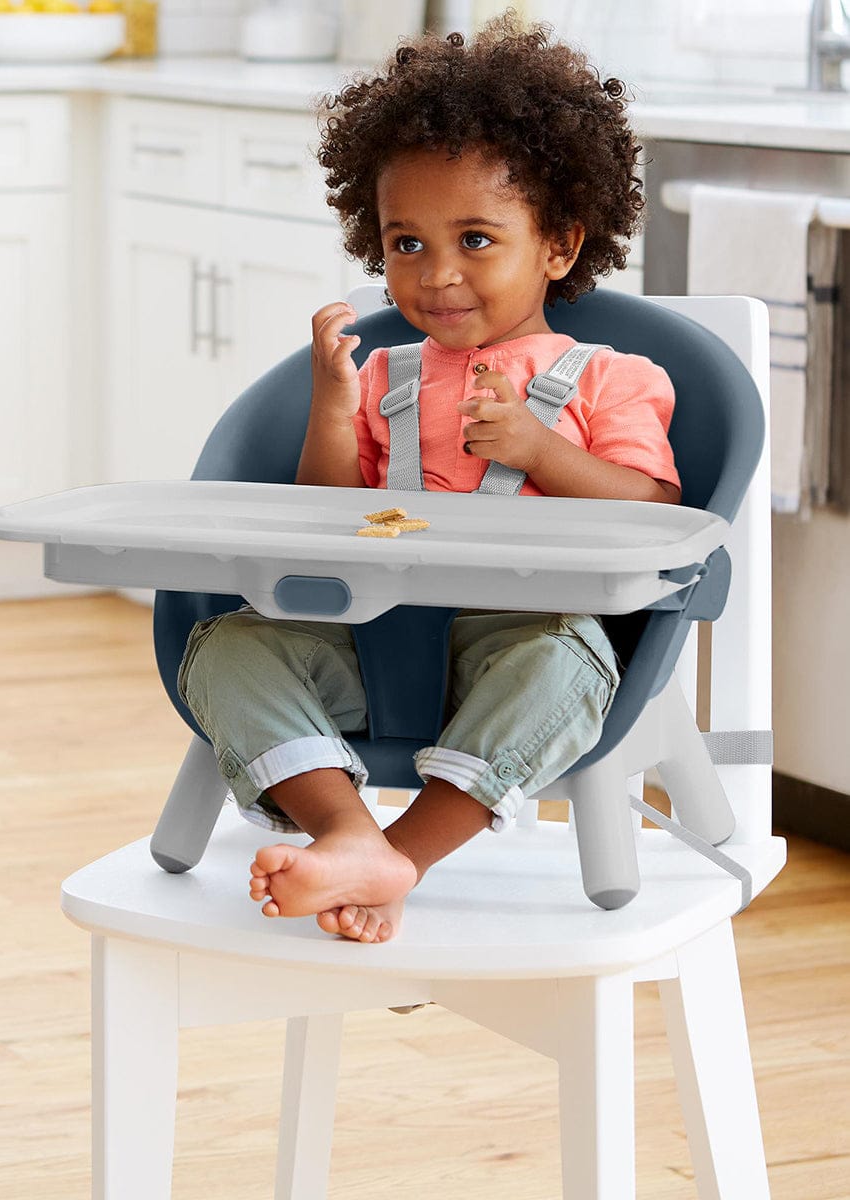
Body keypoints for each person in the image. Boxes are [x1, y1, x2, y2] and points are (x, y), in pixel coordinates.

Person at [177, 13, 681, 944]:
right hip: (369, 642)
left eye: (477, 240)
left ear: (560, 246)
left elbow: (656, 516)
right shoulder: (386, 378)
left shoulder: (613, 377)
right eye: (406, 243)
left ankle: (402, 854)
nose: (437, 275)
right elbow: (333, 520)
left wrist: (537, 449)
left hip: (519, 639)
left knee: (566, 668)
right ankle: (345, 832)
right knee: (225, 648)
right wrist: (333, 407)